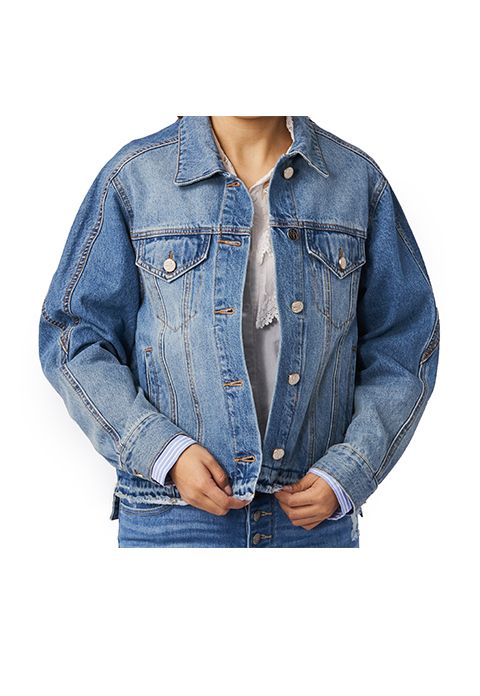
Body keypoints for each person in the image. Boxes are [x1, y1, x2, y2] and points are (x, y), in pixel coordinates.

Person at [38, 115, 440, 547]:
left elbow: (404, 344)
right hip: (173, 515)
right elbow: (73, 338)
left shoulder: (355, 181)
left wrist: (351, 469)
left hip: (311, 520)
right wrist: (163, 451)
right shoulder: (136, 176)